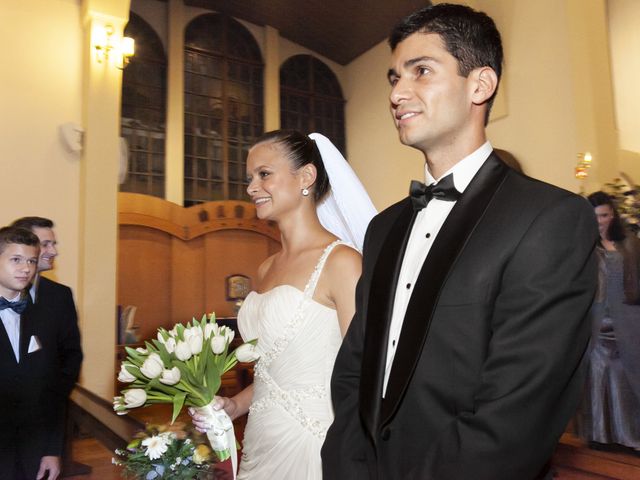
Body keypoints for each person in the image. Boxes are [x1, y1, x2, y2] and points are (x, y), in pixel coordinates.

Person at [321, 4, 598, 480]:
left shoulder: (549, 218)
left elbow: (518, 409)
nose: (397, 93)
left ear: (480, 85)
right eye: (393, 78)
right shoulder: (384, 228)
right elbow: (355, 368)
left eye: (420, 71)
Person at [190, 130, 376, 479]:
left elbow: (364, 372)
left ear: (306, 177)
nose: (251, 188)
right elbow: (272, 370)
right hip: (262, 436)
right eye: (250, 178)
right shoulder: (265, 268)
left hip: (316, 441)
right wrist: (235, 405)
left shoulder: (342, 263)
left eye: (264, 174)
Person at [9, 217, 83, 474]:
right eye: (46, 244)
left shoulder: (54, 299)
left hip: (38, 434)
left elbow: (67, 361)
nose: (53, 251)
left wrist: (52, 445)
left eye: (54, 244)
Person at [575, 191, 640, 450]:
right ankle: (600, 436)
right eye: (594, 217)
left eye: (603, 215)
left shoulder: (632, 245)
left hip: (630, 324)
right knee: (598, 378)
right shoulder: (582, 247)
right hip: (595, 327)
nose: (599, 221)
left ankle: (631, 436)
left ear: (612, 214)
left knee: (630, 378)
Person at [0, 226, 61, 480]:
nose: (26, 268)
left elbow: (51, 389)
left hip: (31, 453)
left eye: (31, 261)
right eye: (16, 259)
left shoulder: (44, 317)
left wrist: (51, 450)